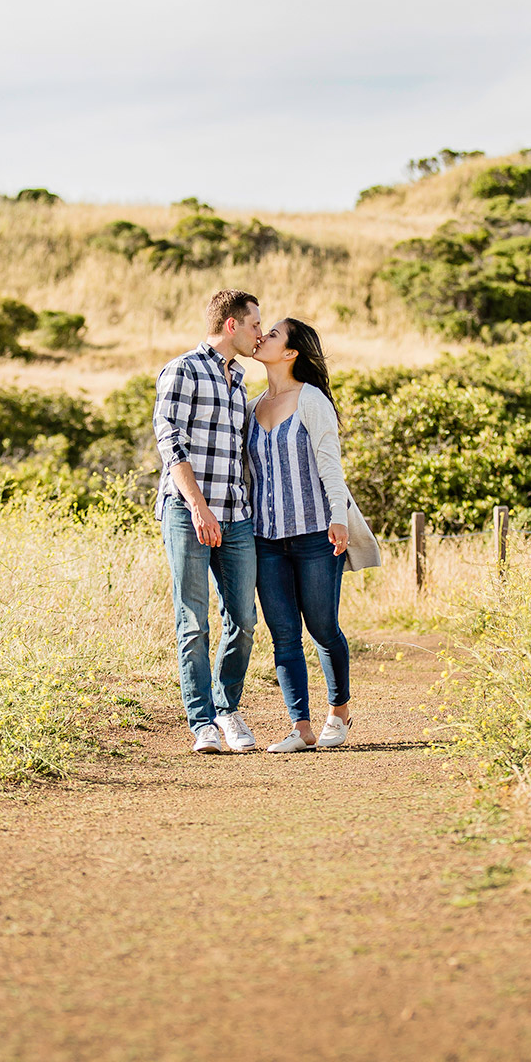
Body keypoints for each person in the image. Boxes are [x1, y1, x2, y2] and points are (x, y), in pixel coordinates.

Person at [154, 289, 264, 754]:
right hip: (188, 512)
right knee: (192, 621)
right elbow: (170, 440)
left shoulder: (240, 381)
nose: (261, 332)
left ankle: (227, 707)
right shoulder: (183, 369)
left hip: (235, 515)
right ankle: (202, 722)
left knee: (242, 618)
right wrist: (198, 506)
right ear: (231, 325)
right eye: (256, 323)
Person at [246, 317, 358, 752]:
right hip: (265, 537)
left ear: (291, 352)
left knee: (323, 627)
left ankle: (339, 712)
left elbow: (330, 464)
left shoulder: (311, 400)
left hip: (315, 534)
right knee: (284, 633)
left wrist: (339, 518)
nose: (262, 337)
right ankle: (301, 726)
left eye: (272, 334)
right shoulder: (252, 406)